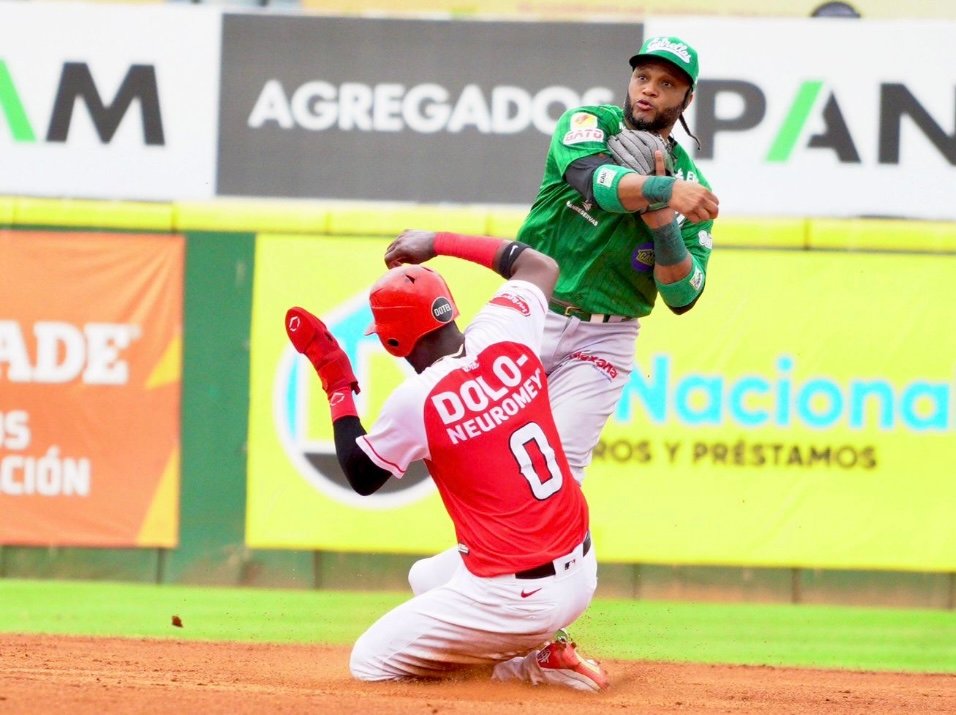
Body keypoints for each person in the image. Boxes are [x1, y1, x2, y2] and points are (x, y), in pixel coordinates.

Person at [284, 229, 609, 692]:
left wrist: (338, 383)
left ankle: (532, 665)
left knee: (369, 662)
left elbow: (360, 474)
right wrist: (436, 241)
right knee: (426, 577)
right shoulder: (504, 331)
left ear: (395, 343)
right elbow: (541, 267)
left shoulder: (418, 398)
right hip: (581, 570)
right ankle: (548, 646)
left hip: (515, 598)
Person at [516, 35, 719, 482]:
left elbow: (683, 295)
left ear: (687, 97)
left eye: (666, 83)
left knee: (557, 472)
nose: (648, 89)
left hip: (604, 337)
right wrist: (663, 191)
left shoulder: (690, 181)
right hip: (530, 311)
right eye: (642, 76)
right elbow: (593, 180)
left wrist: (664, 222)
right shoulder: (589, 121)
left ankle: (555, 554)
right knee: (482, 449)